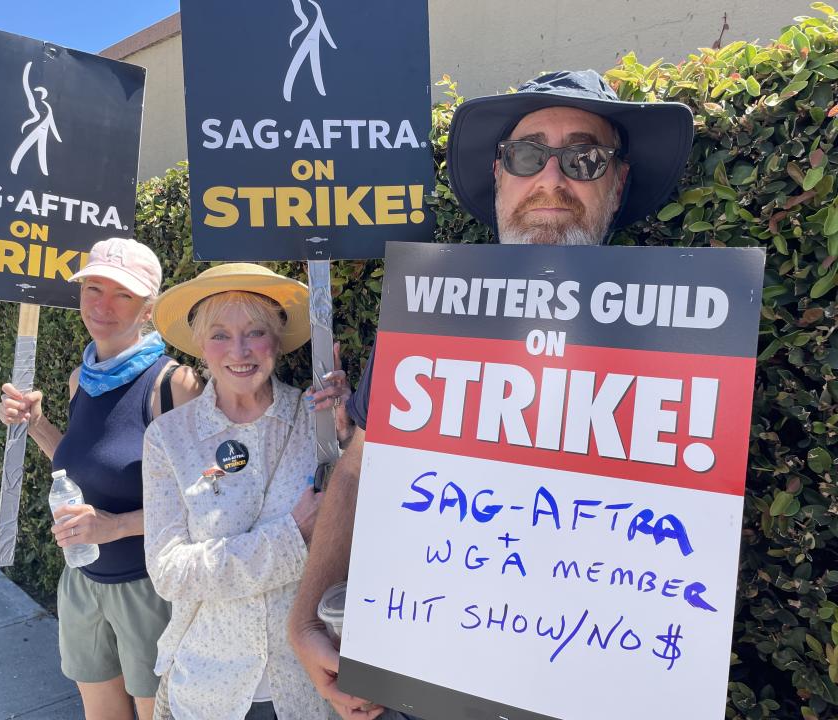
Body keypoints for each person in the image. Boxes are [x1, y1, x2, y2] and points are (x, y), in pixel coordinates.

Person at [287, 69, 694, 719]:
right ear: (501, 177)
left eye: (584, 157)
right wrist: (305, 619)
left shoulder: (687, 342)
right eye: (528, 155)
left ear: (616, 185)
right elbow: (360, 470)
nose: (552, 179)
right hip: (430, 686)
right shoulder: (426, 319)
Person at [0, 237, 203, 720]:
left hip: (149, 588)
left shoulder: (175, 386)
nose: (101, 306)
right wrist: (36, 425)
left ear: (149, 309)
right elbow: (79, 465)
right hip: (82, 580)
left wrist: (114, 527)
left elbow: (207, 507)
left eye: (123, 295)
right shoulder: (79, 379)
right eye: (93, 288)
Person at [142, 262, 351, 720]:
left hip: (308, 688)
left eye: (255, 332)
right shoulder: (168, 438)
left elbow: (358, 532)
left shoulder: (315, 418)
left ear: (277, 341)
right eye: (219, 334)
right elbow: (169, 571)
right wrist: (292, 536)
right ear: (200, 344)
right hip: (210, 688)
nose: (239, 350)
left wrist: (352, 437)